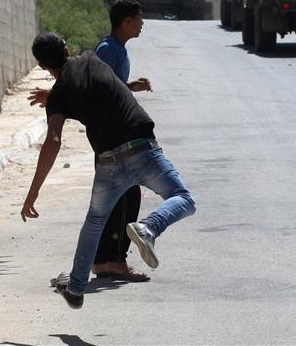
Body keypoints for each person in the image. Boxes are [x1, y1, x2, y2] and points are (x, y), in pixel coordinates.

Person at [21, 31, 196, 309]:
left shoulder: (59, 97)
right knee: (183, 199)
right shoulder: (91, 58)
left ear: (41, 65)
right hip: (140, 148)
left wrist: (33, 193)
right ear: (67, 50)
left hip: (108, 161)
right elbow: (99, 84)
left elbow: (53, 139)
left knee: (94, 223)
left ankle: (76, 288)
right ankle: (148, 228)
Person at [28, 0, 152, 282]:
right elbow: (89, 85)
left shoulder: (112, 50)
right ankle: (112, 261)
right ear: (126, 22)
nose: (142, 23)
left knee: (118, 198)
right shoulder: (105, 50)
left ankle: (105, 260)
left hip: (109, 136)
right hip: (113, 139)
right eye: (138, 18)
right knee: (125, 196)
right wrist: (54, 95)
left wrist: (129, 87)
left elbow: (95, 86)